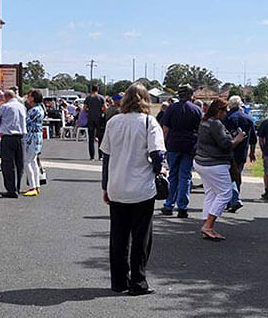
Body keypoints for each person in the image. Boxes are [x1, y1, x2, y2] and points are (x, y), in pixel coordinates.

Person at [99, 84, 165, 296]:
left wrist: (105, 186)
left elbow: (106, 158)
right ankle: (138, 281)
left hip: (117, 185)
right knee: (141, 237)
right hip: (141, 188)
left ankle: (118, 281)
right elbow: (157, 155)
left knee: (118, 237)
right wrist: (158, 170)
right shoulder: (149, 122)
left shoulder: (113, 122)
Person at [195, 98, 247, 241]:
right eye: (225, 110)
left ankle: (207, 223)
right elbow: (225, 145)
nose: (226, 113)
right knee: (225, 194)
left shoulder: (204, 122)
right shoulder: (216, 124)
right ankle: (208, 225)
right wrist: (238, 139)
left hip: (201, 161)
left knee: (211, 193)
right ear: (219, 110)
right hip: (214, 163)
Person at [159, 84, 203, 218]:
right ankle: (182, 207)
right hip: (189, 145)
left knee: (173, 175)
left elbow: (165, 128)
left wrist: (163, 144)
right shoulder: (196, 109)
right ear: (191, 95)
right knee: (185, 176)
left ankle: (169, 204)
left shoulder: (172, 108)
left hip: (173, 144)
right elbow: (201, 129)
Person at [222, 96, 257, 212]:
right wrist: (252, 152)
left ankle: (233, 200)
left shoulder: (226, 118)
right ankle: (233, 200)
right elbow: (253, 139)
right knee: (237, 175)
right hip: (242, 152)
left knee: (228, 177)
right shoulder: (248, 119)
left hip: (228, 150)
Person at [0, 89, 27, 198]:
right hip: (21, 137)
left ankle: (11, 189)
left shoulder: (4, 107)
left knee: (8, 164)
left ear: (6, 97)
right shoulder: (22, 106)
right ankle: (17, 187)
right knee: (19, 163)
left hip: (8, 136)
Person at [24, 90, 45, 197]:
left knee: (27, 162)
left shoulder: (34, 110)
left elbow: (25, 121)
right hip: (37, 137)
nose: (27, 98)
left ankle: (32, 186)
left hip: (31, 138)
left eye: (29, 96)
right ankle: (36, 186)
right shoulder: (40, 108)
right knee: (33, 162)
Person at [84, 85, 106, 160]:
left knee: (91, 138)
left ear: (91, 89)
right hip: (99, 118)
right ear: (98, 89)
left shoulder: (88, 98)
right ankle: (100, 156)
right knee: (100, 137)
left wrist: (88, 111)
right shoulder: (101, 98)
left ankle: (92, 156)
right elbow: (105, 108)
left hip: (90, 118)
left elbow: (84, 108)